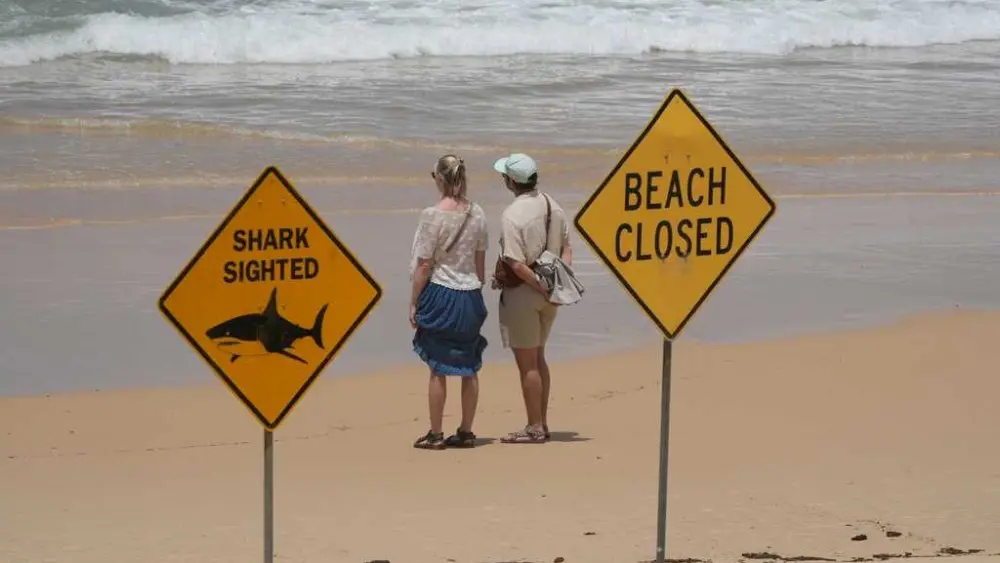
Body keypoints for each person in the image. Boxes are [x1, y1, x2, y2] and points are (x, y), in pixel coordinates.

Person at [490, 153, 573, 444]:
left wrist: (539, 285)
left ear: (512, 181)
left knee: (527, 364)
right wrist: (555, 285)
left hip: (525, 294)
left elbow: (514, 263)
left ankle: (535, 426)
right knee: (539, 358)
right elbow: (566, 249)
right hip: (550, 295)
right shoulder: (553, 205)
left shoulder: (512, 214)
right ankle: (542, 422)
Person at [409, 154, 490, 450]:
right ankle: (467, 431)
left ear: (440, 179)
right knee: (469, 365)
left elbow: (423, 265)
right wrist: (474, 285)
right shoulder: (478, 213)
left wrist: (414, 302)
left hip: (442, 293)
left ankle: (435, 432)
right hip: (470, 294)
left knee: (437, 365)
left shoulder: (432, 214)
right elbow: (480, 264)